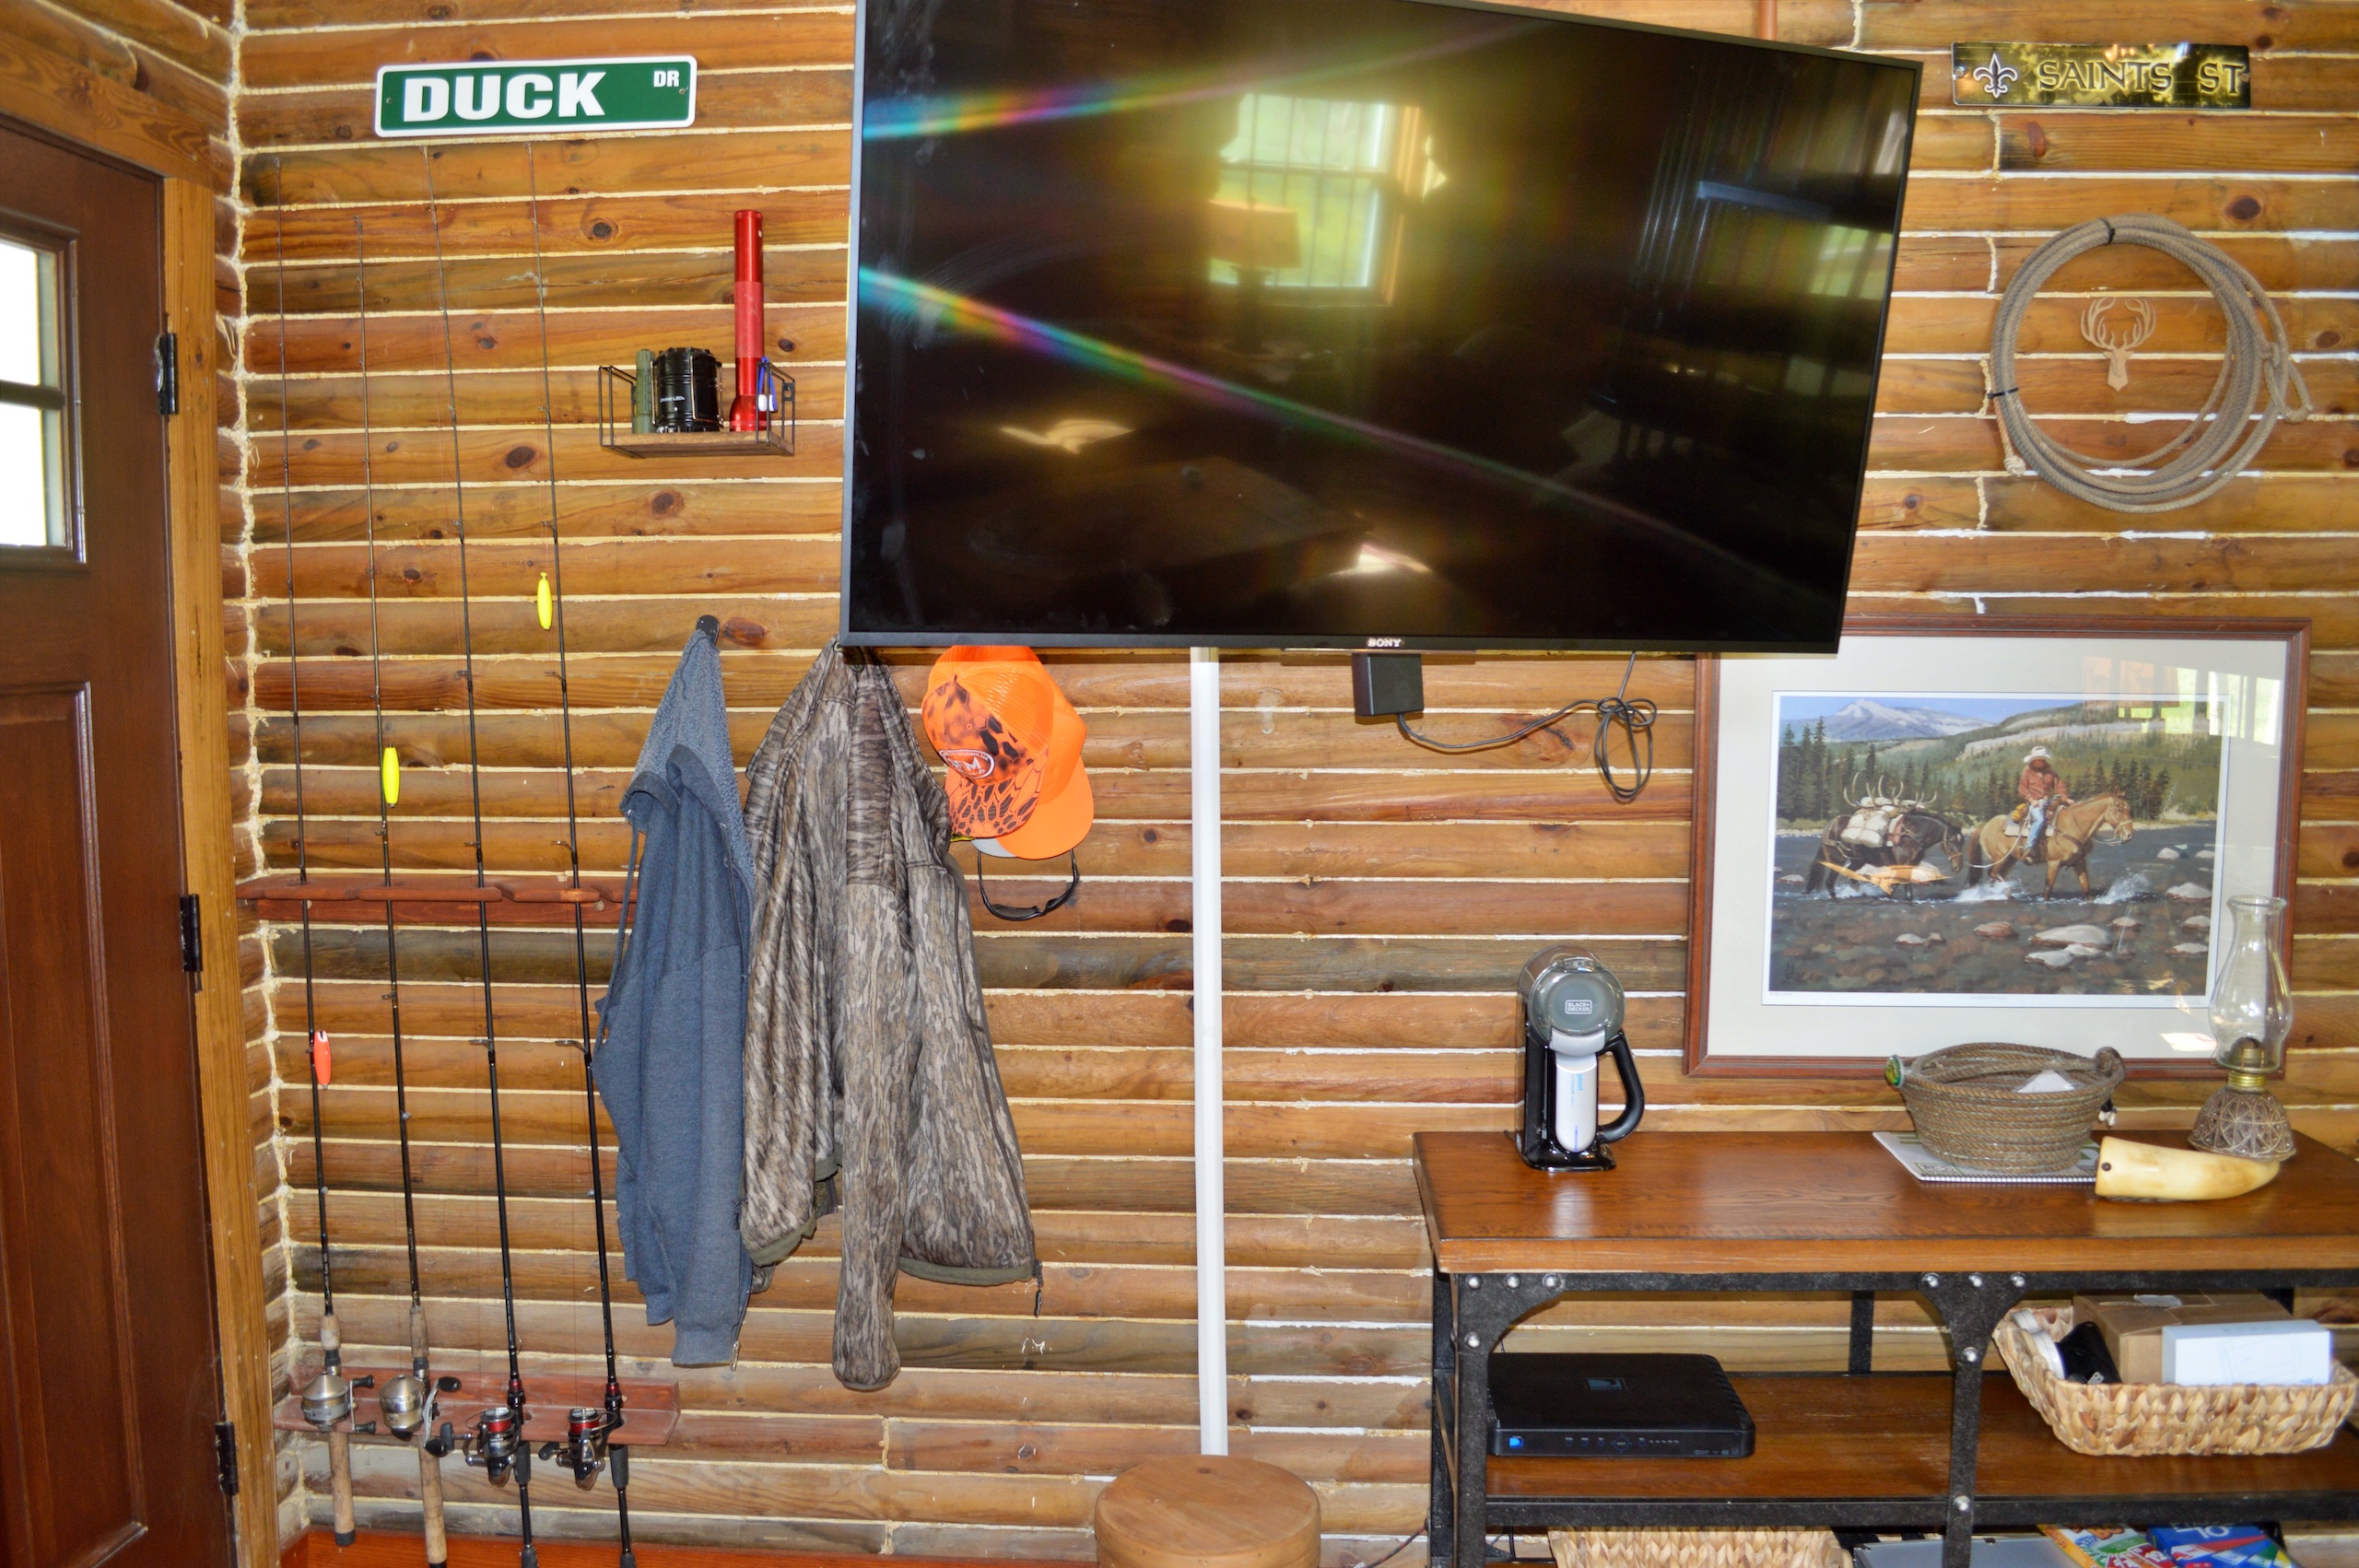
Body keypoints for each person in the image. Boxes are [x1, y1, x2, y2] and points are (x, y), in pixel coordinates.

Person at [2017, 745, 2071, 861]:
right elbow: (2022, 789)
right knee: (2040, 819)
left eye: (2042, 759)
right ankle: (2029, 847)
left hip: (2047, 801)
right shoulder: (2027, 771)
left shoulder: (2050, 771)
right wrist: (2032, 800)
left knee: (2065, 814)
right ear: (2033, 760)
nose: (2040, 761)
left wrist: (2065, 798)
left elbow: (2059, 786)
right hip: (2034, 802)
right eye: (2038, 759)